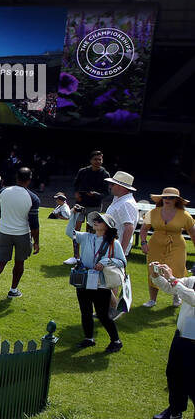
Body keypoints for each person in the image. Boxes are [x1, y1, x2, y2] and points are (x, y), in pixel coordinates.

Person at [68, 212, 125, 353]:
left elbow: (122, 262)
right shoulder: (87, 237)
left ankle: (116, 341)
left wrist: (105, 262)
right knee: (85, 311)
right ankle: (89, 339)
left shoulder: (114, 243)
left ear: (107, 226)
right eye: (96, 220)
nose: (96, 222)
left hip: (101, 283)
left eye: (100, 221)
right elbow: (70, 232)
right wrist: (74, 215)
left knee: (102, 314)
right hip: (84, 279)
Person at [149, 260, 195, 419]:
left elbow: (192, 298)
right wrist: (157, 277)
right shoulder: (192, 281)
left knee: (192, 381)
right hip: (182, 334)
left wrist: (173, 279)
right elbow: (171, 288)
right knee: (173, 373)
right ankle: (175, 410)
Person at [0, 166, 41, 304]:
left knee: (0, 261)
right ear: (29, 180)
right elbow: (34, 224)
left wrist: (8, 216)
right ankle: (13, 290)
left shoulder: (3, 192)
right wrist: (36, 242)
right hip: (22, 233)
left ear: (17, 178)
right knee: (19, 262)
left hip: (4, 232)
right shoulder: (33, 198)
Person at [140, 188, 195, 307]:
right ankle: (152, 299)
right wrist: (143, 243)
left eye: (170, 197)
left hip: (177, 246)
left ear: (176, 200)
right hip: (155, 245)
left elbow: (193, 233)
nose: (167, 199)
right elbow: (144, 229)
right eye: (165, 197)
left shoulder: (185, 215)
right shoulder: (152, 212)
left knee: (177, 270)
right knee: (153, 269)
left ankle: (177, 296)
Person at [102, 170, 139, 317]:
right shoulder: (120, 200)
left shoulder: (126, 203)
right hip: (109, 245)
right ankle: (107, 309)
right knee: (107, 279)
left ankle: (113, 309)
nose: (110, 186)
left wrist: (121, 252)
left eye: (113, 184)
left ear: (122, 187)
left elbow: (129, 227)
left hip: (115, 248)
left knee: (111, 279)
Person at [64, 151, 110, 265]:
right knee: (76, 230)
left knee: (91, 232)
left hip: (94, 206)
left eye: (100, 159)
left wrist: (95, 194)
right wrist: (76, 193)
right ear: (91, 160)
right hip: (81, 204)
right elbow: (75, 184)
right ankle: (76, 256)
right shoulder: (83, 171)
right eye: (95, 159)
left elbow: (106, 193)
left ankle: (88, 256)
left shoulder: (105, 174)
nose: (98, 162)